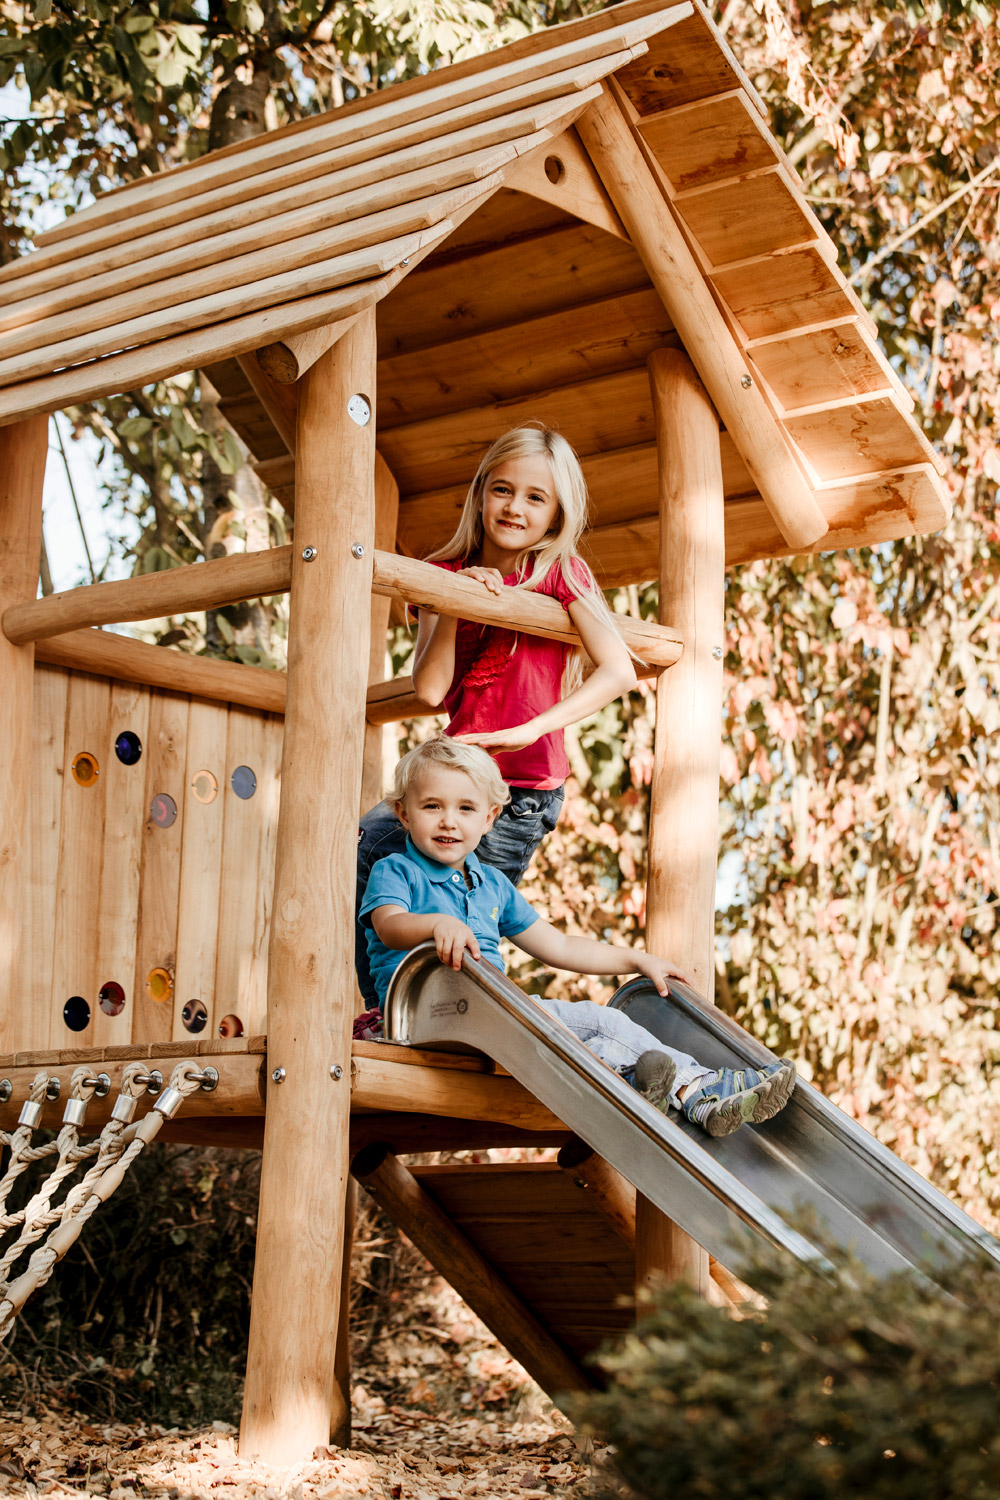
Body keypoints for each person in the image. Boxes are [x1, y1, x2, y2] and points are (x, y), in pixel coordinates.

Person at [360, 738, 796, 1139]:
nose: (449, 821)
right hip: (424, 1017)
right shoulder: (397, 871)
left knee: (602, 1039)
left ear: (490, 817)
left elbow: (560, 946)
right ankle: (703, 1085)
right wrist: (435, 924)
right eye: (432, 806)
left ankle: (673, 1094)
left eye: (466, 809)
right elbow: (389, 923)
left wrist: (635, 959)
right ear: (404, 813)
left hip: (488, 1018)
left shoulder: (492, 884)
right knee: (601, 1021)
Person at [355, 423, 638, 1009]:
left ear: (557, 514)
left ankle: (467, 1018)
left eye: (536, 498)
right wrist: (457, 597)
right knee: (367, 848)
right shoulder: (445, 567)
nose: (515, 508)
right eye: (503, 490)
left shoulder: (558, 570)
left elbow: (619, 670)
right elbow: (432, 690)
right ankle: (386, 1009)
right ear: (482, 492)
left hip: (522, 786)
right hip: (453, 777)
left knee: (467, 910)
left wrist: (535, 727)